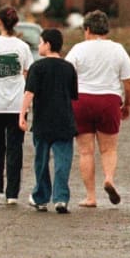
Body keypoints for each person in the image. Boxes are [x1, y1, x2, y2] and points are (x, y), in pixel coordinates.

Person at [65, 10, 130, 207]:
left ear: (87, 29)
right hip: (109, 100)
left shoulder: (78, 49)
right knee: (108, 149)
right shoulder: (118, 49)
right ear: (106, 29)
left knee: (86, 152)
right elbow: (129, 82)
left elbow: (66, 75)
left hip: (82, 100)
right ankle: (109, 179)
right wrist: (127, 104)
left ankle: (90, 197)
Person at [19, 28, 78, 214]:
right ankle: (61, 198)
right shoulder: (69, 67)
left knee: (41, 161)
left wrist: (22, 115)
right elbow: (73, 96)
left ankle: (41, 197)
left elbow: (29, 93)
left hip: (43, 121)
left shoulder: (38, 67)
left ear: (48, 44)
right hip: (64, 121)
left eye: (40, 42)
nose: (38, 46)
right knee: (63, 161)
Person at [0, 6, 35, 205]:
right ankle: (12, 192)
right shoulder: (23, 47)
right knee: (15, 147)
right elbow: (27, 72)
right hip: (17, 104)